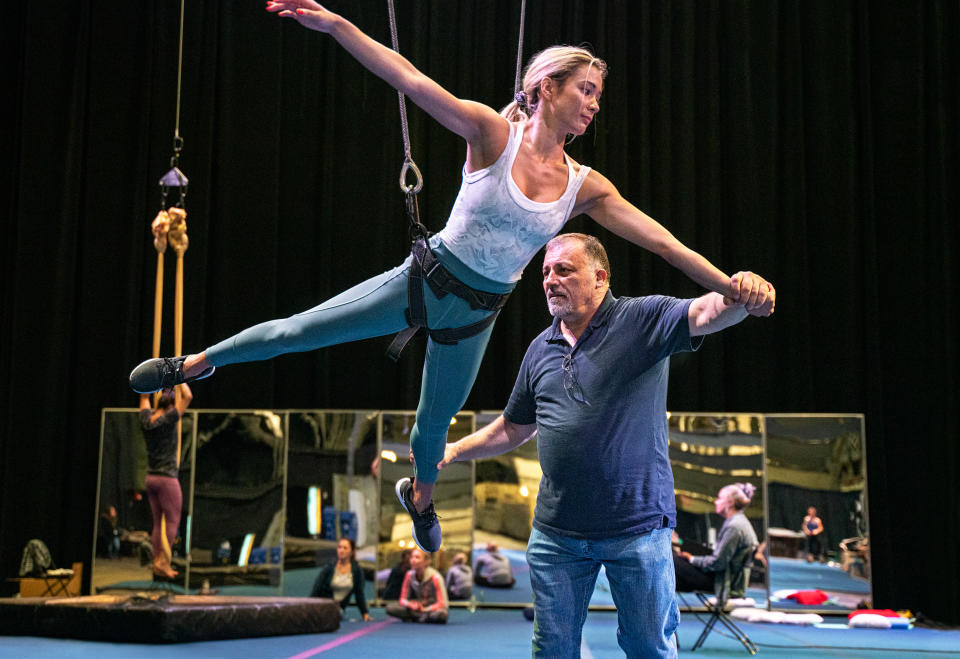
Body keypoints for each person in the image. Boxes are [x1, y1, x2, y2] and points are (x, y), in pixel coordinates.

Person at [129, 1, 775, 556]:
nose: (594, 106)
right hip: (423, 280)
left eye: (598, 97)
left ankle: (420, 494)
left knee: (432, 427)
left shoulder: (585, 186)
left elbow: (660, 240)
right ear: (548, 86)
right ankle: (194, 363)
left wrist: (728, 283)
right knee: (301, 330)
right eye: (587, 90)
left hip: (474, 317)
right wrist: (334, 26)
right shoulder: (491, 132)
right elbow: (407, 77)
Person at [435, 234, 774, 657]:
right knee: (552, 649)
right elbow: (513, 428)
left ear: (600, 277)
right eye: (544, 273)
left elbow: (706, 312)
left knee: (647, 647)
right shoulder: (540, 350)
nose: (549, 281)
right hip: (557, 534)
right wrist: (451, 450)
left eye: (563, 270)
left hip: (637, 529)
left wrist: (740, 294)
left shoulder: (642, 319)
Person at [139, 382, 192, 579]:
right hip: (167, 478)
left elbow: (144, 397)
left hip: (151, 477)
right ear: (171, 405)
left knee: (156, 523)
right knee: (171, 521)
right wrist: (179, 379)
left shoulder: (146, 419)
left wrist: (151, 382)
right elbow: (187, 397)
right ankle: (163, 562)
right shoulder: (169, 419)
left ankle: (156, 561)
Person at [674, 483, 760, 594]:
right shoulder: (739, 522)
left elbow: (717, 563)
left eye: (720, 499)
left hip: (723, 582)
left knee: (672, 560)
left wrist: (692, 559)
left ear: (730, 502)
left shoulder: (734, 526)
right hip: (725, 578)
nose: (716, 502)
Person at [310, 537, 372, 621]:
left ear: (352, 552)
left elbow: (359, 594)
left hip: (338, 609)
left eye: (345, 548)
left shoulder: (357, 571)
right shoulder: (328, 568)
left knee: (337, 614)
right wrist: (309, 608)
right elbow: (316, 590)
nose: (341, 550)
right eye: (339, 547)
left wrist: (364, 613)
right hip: (323, 605)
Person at [384, 548, 449, 624]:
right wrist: (410, 604)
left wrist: (426, 609)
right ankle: (421, 618)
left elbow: (442, 603)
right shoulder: (409, 575)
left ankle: (417, 617)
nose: (413, 560)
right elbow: (402, 599)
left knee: (441, 614)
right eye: (412, 557)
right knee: (390, 608)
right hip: (417, 606)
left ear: (426, 561)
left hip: (431, 608)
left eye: (417, 557)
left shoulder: (436, 577)